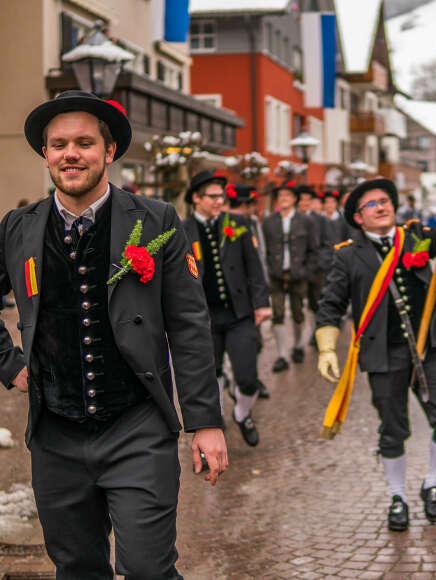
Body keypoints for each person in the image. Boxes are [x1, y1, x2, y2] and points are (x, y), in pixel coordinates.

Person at [0, 91, 227, 579]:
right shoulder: (17, 228)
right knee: (78, 569)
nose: (70, 154)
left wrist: (205, 421)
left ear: (109, 152)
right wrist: (10, 364)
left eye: (84, 142)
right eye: (58, 144)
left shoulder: (156, 220)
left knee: (148, 568)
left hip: (137, 426)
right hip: (55, 436)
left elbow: (190, 325)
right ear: (46, 154)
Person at [315, 178, 436, 531]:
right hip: (383, 355)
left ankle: (432, 484)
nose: (382, 206)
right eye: (372, 204)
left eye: (385, 200)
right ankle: (397, 496)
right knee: (393, 430)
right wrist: (326, 348)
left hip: (429, 347)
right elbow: (330, 305)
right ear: (358, 217)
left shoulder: (414, 236)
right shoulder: (347, 255)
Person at [182, 175, 271, 445]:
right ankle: (216, 420)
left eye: (222, 196)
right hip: (204, 317)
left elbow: (254, 266)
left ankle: (242, 413)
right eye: (213, 197)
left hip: (239, 314)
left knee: (248, 377)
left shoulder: (238, 224)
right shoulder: (182, 230)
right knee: (212, 372)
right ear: (196, 198)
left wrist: (262, 303)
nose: (220, 202)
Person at [219, 182, 271, 399]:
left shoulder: (252, 222)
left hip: (251, 297)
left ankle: (245, 379)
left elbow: (259, 259)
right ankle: (233, 378)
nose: (253, 208)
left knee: (252, 345)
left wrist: (261, 297)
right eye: (250, 204)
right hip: (235, 299)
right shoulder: (227, 225)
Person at [262, 181, 318, 372]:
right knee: (277, 313)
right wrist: (268, 269)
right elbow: (265, 249)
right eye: (280, 196)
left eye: (287, 196)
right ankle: (282, 355)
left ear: (294, 199)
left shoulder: (306, 221)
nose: (283, 199)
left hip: (298, 274)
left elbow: (313, 250)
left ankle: (299, 346)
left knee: (297, 311)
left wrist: (305, 271)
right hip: (276, 274)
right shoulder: (269, 221)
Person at [296, 185, 331, 346]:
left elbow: (326, 243)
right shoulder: (292, 220)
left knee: (316, 302)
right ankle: (299, 342)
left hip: (317, 269)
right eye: (302, 199)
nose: (305, 203)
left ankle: (316, 334)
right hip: (298, 269)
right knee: (297, 306)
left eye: (307, 200)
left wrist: (320, 262)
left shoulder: (320, 220)